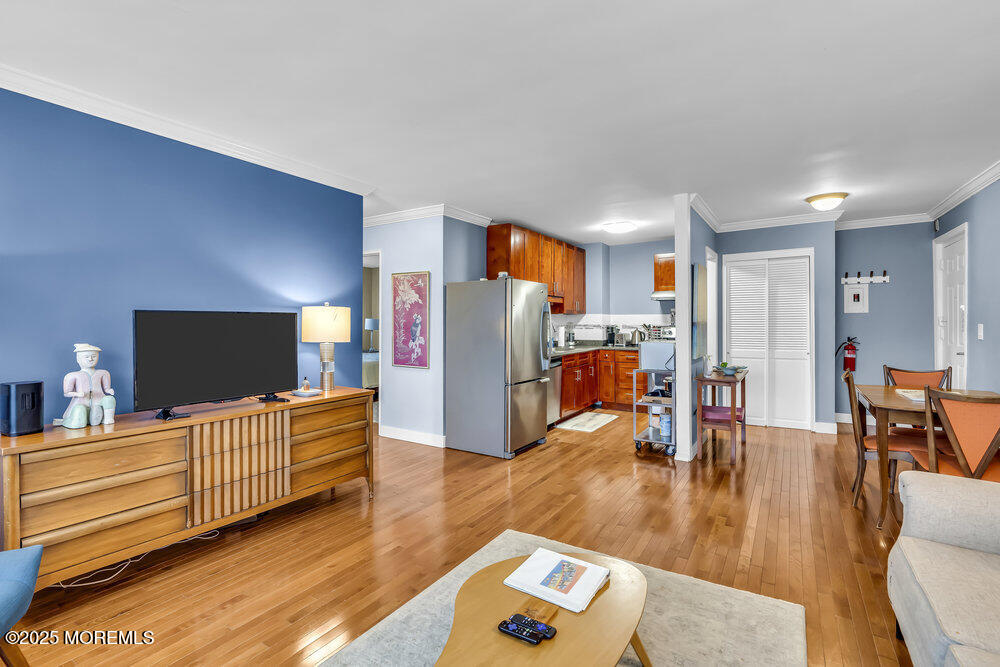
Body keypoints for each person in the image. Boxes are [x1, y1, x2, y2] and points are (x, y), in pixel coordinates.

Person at [56, 343, 116, 428]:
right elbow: (67, 393)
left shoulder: (103, 373)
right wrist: (77, 394)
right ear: (78, 359)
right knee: (80, 412)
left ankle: (107, 419)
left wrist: (109, 391)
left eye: (94, 356)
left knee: (109, 399)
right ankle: (86, 418)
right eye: (86, 357)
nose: (90, 359)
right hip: (81, 403)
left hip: (98, 401)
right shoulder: (72, 375)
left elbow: (106, 389)